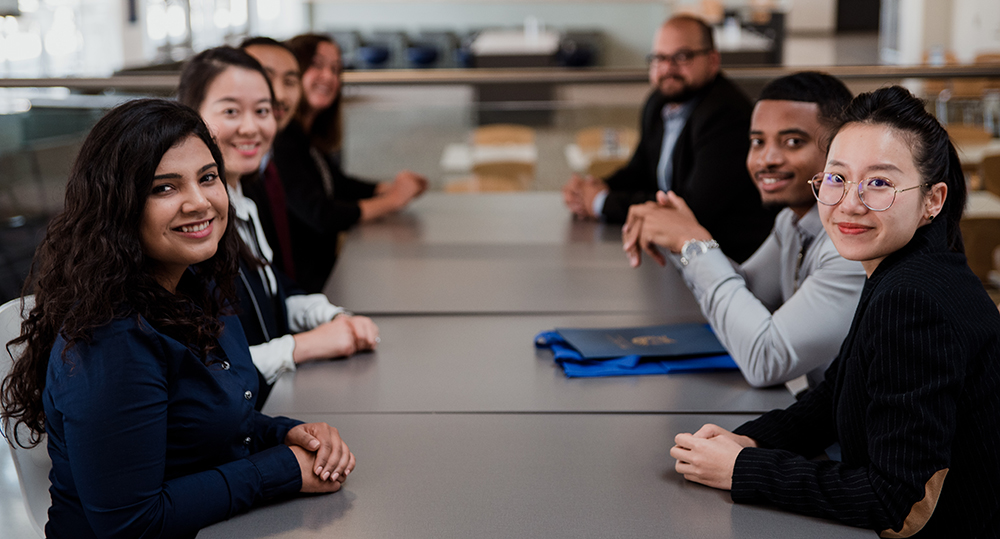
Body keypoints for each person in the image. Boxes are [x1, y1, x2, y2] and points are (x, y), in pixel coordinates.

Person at [0, 99, 356, 538]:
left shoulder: (197, 286)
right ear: (118, 207)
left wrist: (289, 435)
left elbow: (204, 424)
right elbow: (131, 524)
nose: (199, 202)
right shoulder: (110, 341)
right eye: (164, 188)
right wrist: (281, 470)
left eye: (208, 178)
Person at [670, 86, 1000, 537]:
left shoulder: (914, 298)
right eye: (837, 178)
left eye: (879, 183)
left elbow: (897, 504)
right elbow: (837, 393)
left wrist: (745, 469)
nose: (849, 203)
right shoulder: (904, 266)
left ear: (932, 200)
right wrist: (750, 440)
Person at [621, 72, 865, 389]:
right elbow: (748, 296)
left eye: (793, 142)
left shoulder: (850, 248)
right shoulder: (791, 222)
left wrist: (693, 243)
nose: (767, 159)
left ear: (840, 152)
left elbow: (765, 360)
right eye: (757, 142)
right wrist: (678, 237)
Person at [178, 46, 379, 409]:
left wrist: (328, 315)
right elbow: (204, 372)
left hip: (270, 407)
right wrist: (304, 345)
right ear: (191, 116)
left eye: (262, 111)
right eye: (230, 111)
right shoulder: (192, 225)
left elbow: (272, 289)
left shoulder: (245, 198)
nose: (251, 127)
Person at [562, 15, 774, 263]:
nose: (668, 68)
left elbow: (691, 208)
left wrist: (601, 202)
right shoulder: (658, 103)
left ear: (712, 60)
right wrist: (596, 188)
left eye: (682, 57)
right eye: (659, 58)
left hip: (730, 262)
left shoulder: (725, 114)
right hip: (679, 256)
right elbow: (640, 170)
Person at [273, 33, 428, 292]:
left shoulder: (306, 137)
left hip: (325, 278)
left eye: (336, 69)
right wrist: (392, 201)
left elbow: (337, 183)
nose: (329, 77)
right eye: (317, 65)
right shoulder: (282, 140)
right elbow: (321, 214)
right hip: (304, 290)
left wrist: (387, 188)